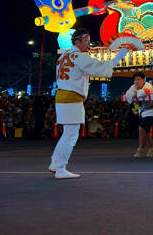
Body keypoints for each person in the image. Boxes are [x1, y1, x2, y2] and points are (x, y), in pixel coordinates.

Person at [50, 28, 127, 179]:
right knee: (71, 134)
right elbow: (100, 68)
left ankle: (55, 163)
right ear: (77, 41)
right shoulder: (79, 57)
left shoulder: (64, 56)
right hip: (71, 98)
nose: (88, 44)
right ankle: (60, 168)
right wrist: (119, 57)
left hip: (62, 97)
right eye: (86, 41)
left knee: (67, 133)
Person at [126, 73, 153, 158]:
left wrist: (135, 94)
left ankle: (140, 148)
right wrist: (136, 93)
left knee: (141, 128)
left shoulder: (149, 85)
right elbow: (127, 95)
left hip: (152, 110)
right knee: (146, 131)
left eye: (139, 79)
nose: (136, 81)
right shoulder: (133, 86)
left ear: (143, 80)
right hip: (142, 111)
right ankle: (151, 149)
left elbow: (145, 92)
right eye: (135, 79)